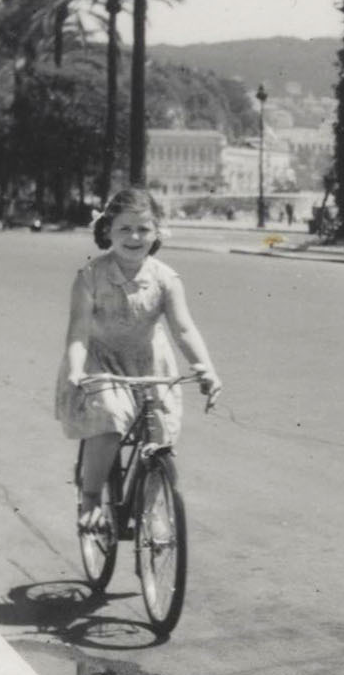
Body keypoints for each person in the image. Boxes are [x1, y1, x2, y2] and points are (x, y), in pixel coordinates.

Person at [56, 186, 221, 532]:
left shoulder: (166, 279)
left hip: (149, 364)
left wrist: (205, 368)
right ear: (107, 231)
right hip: (99, 361)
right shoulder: (90, 278)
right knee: (112, 419)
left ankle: (150, 510)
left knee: (159, 435)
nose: (134, 237)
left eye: (144, 229)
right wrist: (75, 371)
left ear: (157, 232)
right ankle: (90, 498)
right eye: (124, 229)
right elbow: (78, 334)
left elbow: (184, 329)